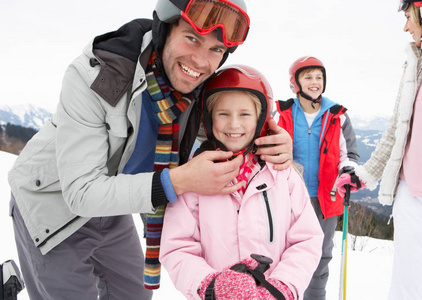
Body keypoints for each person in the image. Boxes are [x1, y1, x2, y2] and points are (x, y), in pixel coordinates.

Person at [7, 1, 294, 299]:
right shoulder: (96, 76)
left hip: (113, 204)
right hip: (52, 202)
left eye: (216, 49)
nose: (200, 61)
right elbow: (81, 192)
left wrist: (274, 140)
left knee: (135, 294)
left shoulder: (194, 91)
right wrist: (180, 180)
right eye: (192, 38)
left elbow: (232, 129)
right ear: (164, 29)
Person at [159, 64, 324, 300]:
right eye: (223, 114)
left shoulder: (281, 175)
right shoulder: (194, 178)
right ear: (208, 118)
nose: (234, 124)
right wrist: (211, 285)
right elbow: (178, 246)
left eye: (245, 114)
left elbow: (306, 239)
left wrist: (282, 287)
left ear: (260, 119)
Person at [335, 1, 422, 299]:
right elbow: (397, 129)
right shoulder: (418, 60)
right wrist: (365, 175)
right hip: (415, 199)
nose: (405, 27)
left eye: (409, 17)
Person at [276, 56, 359, 300]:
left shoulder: (337, 115)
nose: (315, 82)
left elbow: (350, 154)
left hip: (326, 200)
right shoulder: (281, 114)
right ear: (295, 83)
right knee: (284, 255)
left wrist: (348, 170)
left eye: (319, 77)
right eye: (308, 76)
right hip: (288, 198)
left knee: (320, 259)